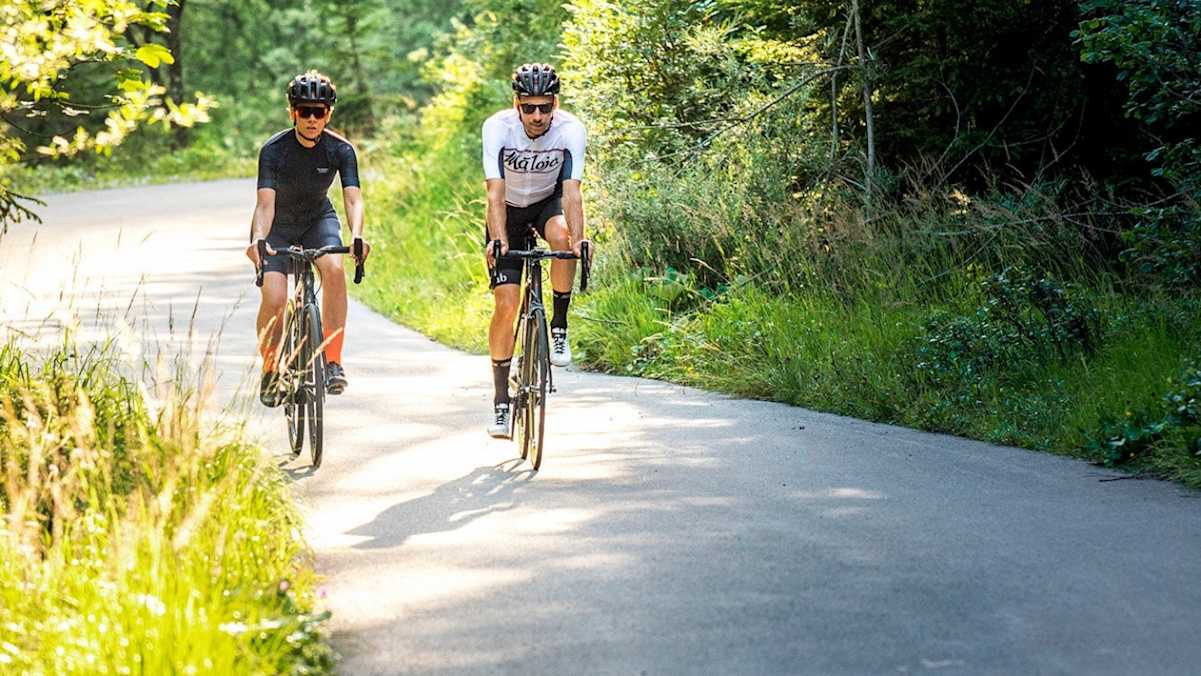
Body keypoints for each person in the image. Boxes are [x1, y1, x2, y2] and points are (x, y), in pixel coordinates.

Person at [245, 70, 369, 407]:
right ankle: (271, 370)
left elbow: (353, 199)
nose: (312, 119)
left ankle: (332, 362)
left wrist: (357, 235)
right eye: (304, 111)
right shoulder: (274, 150)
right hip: (277, 224)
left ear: (328, 114)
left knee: (334, 269)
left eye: (319, 112)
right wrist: (259, 239)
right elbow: (264, 204)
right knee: (274, 297)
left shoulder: (340, 149)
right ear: (292, 112)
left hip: (317, 219)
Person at [482, 62, 589, 437]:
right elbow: (493, 191)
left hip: (547, 204)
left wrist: (578, 240)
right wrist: (498, 238)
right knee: (507, 304)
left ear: (555, 104)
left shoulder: (570, 129)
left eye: (545, 107)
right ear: (517, 105)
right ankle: (500, 400)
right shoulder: (498, 128)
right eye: (529, 107)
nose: (538, 116)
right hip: (507, 211)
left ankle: (558, 324)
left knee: (562, 239)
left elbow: (573, 192)